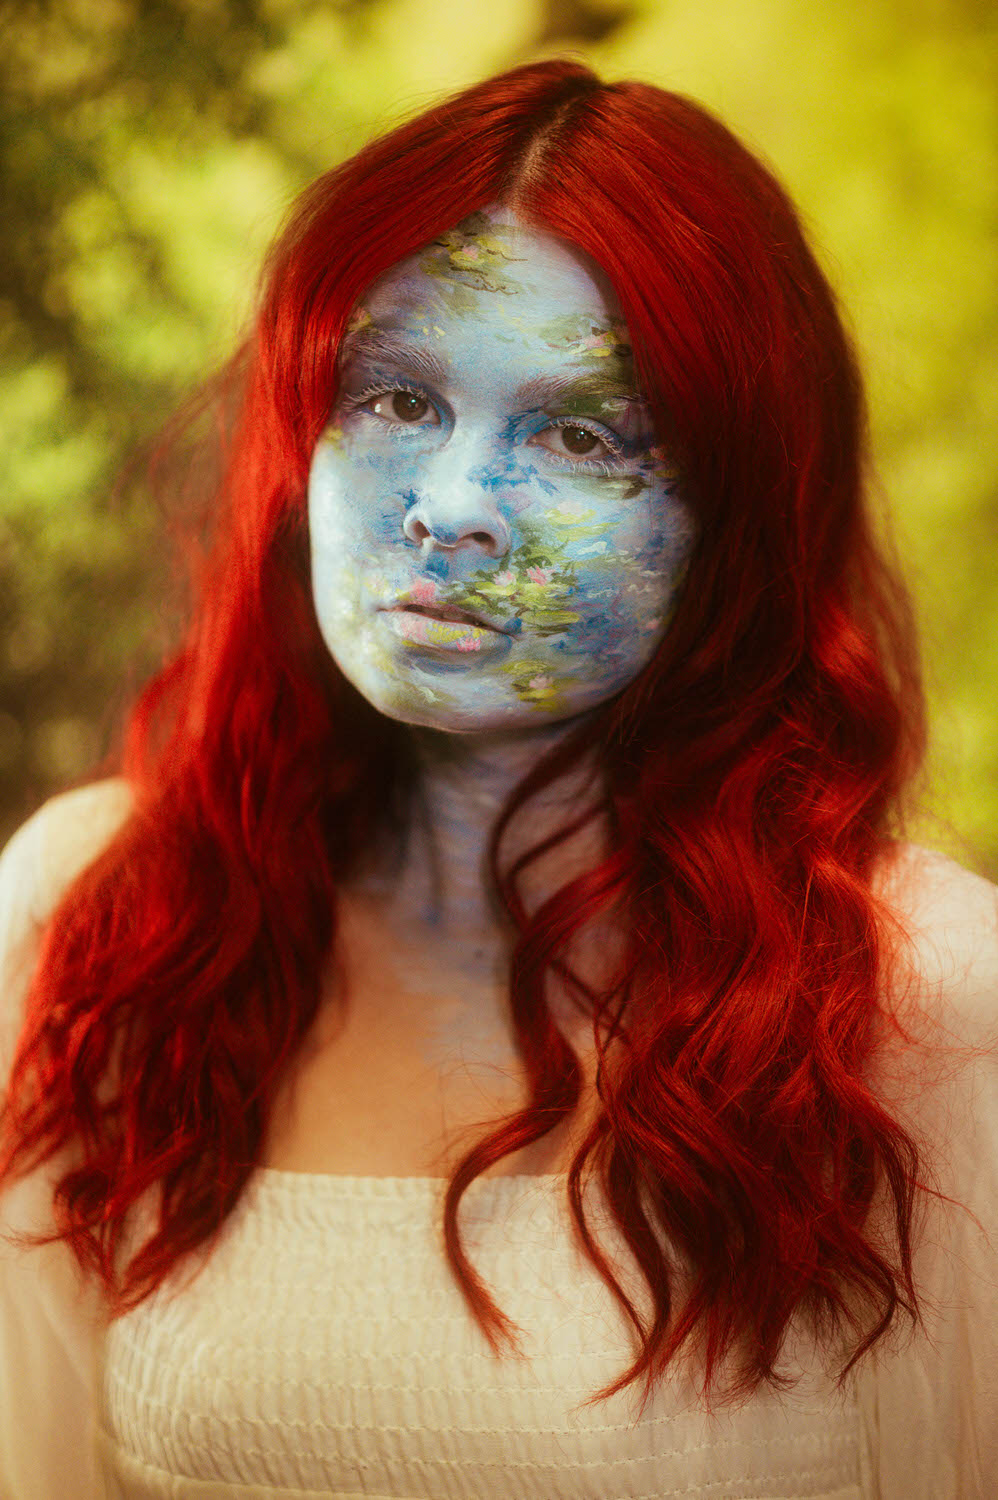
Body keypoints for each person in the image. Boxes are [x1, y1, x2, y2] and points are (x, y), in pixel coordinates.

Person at [1, 57, 996, 1500]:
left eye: (579, 433)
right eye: (395, 399)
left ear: (734, 512)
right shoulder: (98, 923)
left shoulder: (927, 1006)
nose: (453, 507)